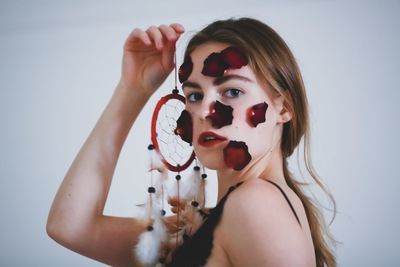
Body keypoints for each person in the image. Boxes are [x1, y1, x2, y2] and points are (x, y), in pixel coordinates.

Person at [46, 17, 337, 267]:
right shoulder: (214, 222)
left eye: (232, 91)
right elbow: (70, 227)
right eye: (194, 96)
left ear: (284, 108)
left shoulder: (256, 205)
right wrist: (132, 90)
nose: (205, 111)